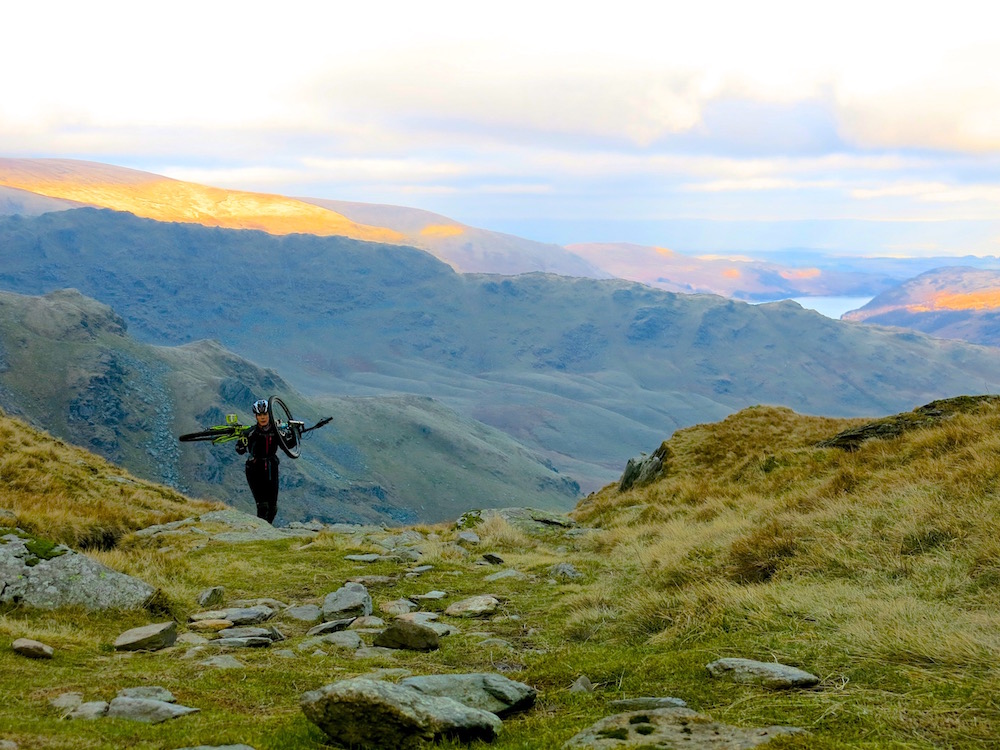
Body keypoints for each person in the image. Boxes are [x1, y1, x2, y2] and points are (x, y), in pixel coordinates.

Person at [236, 398, 294, 524]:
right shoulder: (250, 432)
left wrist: (294, 433)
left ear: (269, 414)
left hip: (272, 468)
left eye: (265, 414)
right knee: (263, 507)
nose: (262, 417)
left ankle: (266, 530)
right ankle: (260, 532)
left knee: (273, 508)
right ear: (256, 416)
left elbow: (288, 446)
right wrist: (240, 444)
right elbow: (239, 450)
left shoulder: (277, 431)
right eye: (259, 415)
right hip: (254, 469)